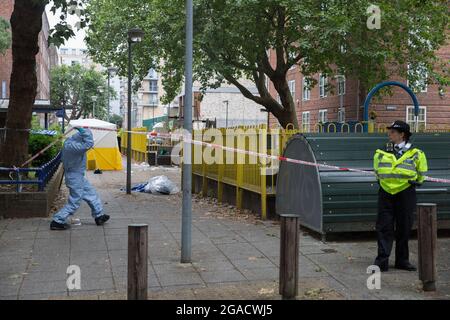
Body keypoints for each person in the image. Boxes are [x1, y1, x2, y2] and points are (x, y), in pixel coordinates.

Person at [373, 120, 428, 272]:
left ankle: (402, 261)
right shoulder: (382, 150)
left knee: (404, 227)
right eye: (389, 131)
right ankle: (382, 261)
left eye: (392, 132)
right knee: (384, 227)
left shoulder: (416, 153)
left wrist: (414, 182)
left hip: (406, 192)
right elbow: (377, 171)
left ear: (402, 135)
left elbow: (421, 173)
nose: (389, 134)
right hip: (386, 192)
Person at [50, 127, 110, 230]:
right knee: (75, 201)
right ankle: (57, 220)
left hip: (77, 176)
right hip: (75, 177)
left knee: (91, 194)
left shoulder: (72, 142)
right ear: (82, 138)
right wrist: (86, 132)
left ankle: (99, 216)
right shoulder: (72, 146)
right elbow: (88, 145)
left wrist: (84, 133)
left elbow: (87, 144)